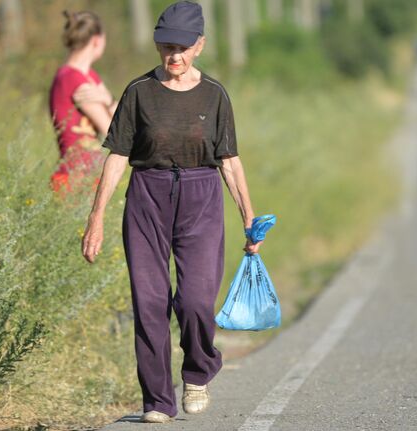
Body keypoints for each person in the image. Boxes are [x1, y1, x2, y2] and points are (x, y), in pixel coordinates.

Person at [80, 1, 262, 424]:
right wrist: (96, 218)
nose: (173, 56)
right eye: (165, 47)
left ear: (199, 45)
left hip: (201, 196)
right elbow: (116, 156)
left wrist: (249, 218)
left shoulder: (214, 95)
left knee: (197, 300)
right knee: (149, 302)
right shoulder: (138, 92)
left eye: (181, 47)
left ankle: (197, 373)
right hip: (147, 195)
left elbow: (230, 162)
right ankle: (157, 400)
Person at [49, 10, 118, 194]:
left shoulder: (88, 76)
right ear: (97, 40)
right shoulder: (72, 78)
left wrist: (109, 100)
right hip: (75, 180)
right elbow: (114, 130)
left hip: (89, 176)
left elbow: (121, 117)